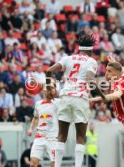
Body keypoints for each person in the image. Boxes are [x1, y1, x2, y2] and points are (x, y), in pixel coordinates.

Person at [46, 33, 106, 167]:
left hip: (65, 97)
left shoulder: (67, 58)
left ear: (80, 48)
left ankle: (57, 165)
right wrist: (102, 96)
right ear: (90, 50)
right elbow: (90, 80)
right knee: (80, 137)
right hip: (80, 98)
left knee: (61, 136)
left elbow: (49, 70)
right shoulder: (91, 61)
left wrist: (50, 89)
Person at [28, 82, 59, 167]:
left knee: (54, 164)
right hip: (40, 137)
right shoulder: (38, 104)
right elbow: (35, 117)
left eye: (52, 88)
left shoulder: (57, 103)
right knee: (33, 163)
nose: (50, 90)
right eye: (48, 89)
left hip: (53, 138)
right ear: (43, 91)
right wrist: (31, 128)